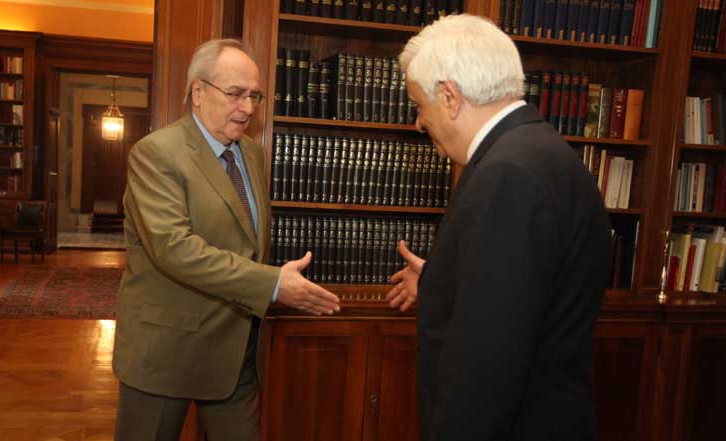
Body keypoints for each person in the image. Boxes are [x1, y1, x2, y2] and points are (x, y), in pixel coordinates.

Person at [386, 14, 610, 441]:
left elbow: (486, 361)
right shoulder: (538, 151)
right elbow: (517, 295)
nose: (418, 122)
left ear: (449, 97)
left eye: (419, 105)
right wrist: (439, 280)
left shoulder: (509, 175)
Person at [112, 39, 340, 441]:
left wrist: (273, 280)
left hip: (238, 352)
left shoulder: (251, 153)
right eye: (235, 93)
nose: (248, 108)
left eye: (255, 96)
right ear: (198, 92)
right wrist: (271, 284)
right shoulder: (156, 153)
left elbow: (244, 241)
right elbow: (174, 248)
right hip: (166, 351)